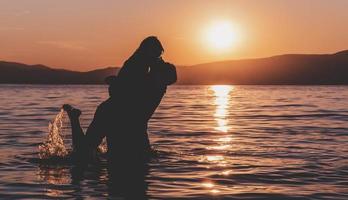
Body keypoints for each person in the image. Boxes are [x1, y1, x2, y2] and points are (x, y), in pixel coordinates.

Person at [63, 36, 177, 166]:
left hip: (128, 121)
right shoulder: (136, 67)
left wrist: (117, 83)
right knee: (85, 153)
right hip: (114, 115)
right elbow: (119, 91)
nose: (157, 57)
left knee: (90, 153)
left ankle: (74, 119)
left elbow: (170, 76)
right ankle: (74, 119)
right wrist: (117, 84)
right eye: (155, 54)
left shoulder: (156, 75)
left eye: (158, 54)